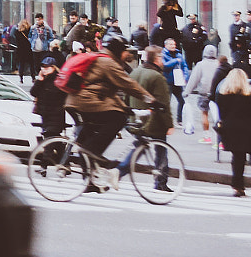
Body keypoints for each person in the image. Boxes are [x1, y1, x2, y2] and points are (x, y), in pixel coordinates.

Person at [65, 35, 157, 193]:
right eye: (125, 51)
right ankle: (93, 154)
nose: (127, 53)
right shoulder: (108, 62)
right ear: (118, 51)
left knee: (91, 134)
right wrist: (151, 100)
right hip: (85, 101)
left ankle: (91, 180)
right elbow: (128, 84)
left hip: (76, 101)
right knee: (118, 119)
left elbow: (111, 91)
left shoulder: (104, 59)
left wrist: (124, 106)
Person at [118, 46, 175, 192]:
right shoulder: (157, 77)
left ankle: (121, 171)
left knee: (140, 147)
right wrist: (169, 124)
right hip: (153, 120)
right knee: (161, 149)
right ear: (156, 59)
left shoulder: (135, 72)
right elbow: (163, 104)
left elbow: (127, 95)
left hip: (137, 118)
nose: (163, 59)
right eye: (161, 57)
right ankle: (160, 181)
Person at [213, 67, 251, 197]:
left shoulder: (223, 95)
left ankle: (237, 184)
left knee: (235, 157)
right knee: (241, 157)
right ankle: (238, 185)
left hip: (229, 128)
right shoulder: (248, 96)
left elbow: (221, 112)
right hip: (244, 129)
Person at [182, 43, 222, 138]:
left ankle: (206, 135)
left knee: (204, 113)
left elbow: (194, 80)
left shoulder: (201, 64)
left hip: (204, 93)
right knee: (218, 114)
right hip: (216, 93)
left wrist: (187, 92)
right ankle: (219, 137)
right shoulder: (218, 64)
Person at [31, 57, 68, 142]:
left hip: (55, 115)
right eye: (42, 67)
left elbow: (58, 96)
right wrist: (39, 80)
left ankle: (50, 154)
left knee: (50, 138)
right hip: (45, 115)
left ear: (53, 68)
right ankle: (61, 152)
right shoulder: (43, 80)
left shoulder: (58, 80)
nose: (44, 70)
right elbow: (33, 92)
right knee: (52, 138)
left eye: (47, 67)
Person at [160, 38, 189, 117]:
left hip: (178, 82)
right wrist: (175, 60)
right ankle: (166, 118)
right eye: (171, 44)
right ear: (166, 45)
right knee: (167, 102)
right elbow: (164, 66)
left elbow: (184, 66)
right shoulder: (162, 54)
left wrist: (186, 77)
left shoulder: (178, 54)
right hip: (168, 82)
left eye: (174, 44)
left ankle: (179, 118)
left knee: (181, 101)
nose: (173, 46)